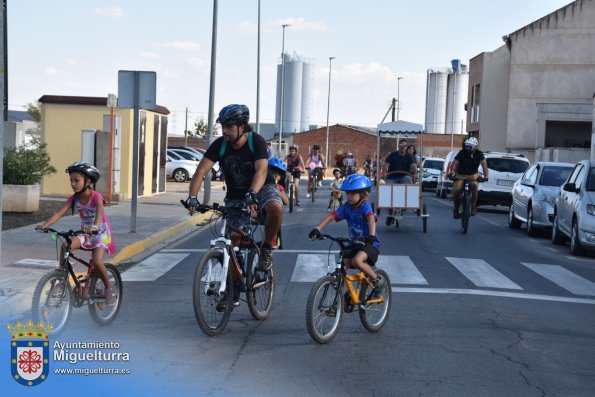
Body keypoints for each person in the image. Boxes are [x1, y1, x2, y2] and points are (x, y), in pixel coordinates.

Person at [185, 104, 283, 284]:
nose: (224, 131)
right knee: (232, 241)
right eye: (222, 126)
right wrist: (192, 197)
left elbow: (261, 170)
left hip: (262, 188)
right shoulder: (220, 145)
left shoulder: (256, 141)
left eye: (229, 126)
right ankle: (234, 287)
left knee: (275, 208)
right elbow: (200, 172)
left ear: (242, 127)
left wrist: (252, 192)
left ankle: (267, 249)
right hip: (236, 196)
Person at [36, 162, 116, 304]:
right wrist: (45, 225)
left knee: (97, 262)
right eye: (71, 180)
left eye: (76, 180)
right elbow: (59, 213)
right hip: (85, 233)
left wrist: (94, 227)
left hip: (100, 233)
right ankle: (61, 277)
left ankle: (109, 288)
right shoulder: (74, 198)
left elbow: (99, 216)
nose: (73, 184)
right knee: (65, 245)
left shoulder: (96, 197)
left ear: (88, 181)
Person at [308, 174, 386, 298]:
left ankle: (378, 280)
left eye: (352, 193)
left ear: (362, 193)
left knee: (357, 261)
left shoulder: (364, 205)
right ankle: (341, 296)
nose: (348, 196)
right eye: (347, 193)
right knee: (343, 266)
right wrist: (317, 228)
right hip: (354, 243)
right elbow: (331, 216)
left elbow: (371, 219)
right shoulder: (346, 208)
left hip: (370, 244)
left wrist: (371, 236)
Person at [450, 137, 489, 218]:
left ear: (475, 147)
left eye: (470, 146)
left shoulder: (479, 154)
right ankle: (456, 209)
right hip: (460, 174)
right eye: (467, 146)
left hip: (473, 174)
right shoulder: (461, 152)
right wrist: (452, 173)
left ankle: (473, 207)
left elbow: (484, 165)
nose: (468, 148)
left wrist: (486, 176)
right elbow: (454, 163)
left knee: (475, 186)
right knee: (457, 190)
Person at [382, 140, 418, 225]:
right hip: (392, 177)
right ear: (398, 146)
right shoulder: (392, 155)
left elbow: (413, 166)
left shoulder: (409, 156)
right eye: (401, 146)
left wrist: (415, 172)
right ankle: (390, 215)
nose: (403, 147)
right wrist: (384, 172)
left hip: (404, 177)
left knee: (409, 180)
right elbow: (386, 165)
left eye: (405, 146)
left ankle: (404, 205)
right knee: (389, 191)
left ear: (406, 147)